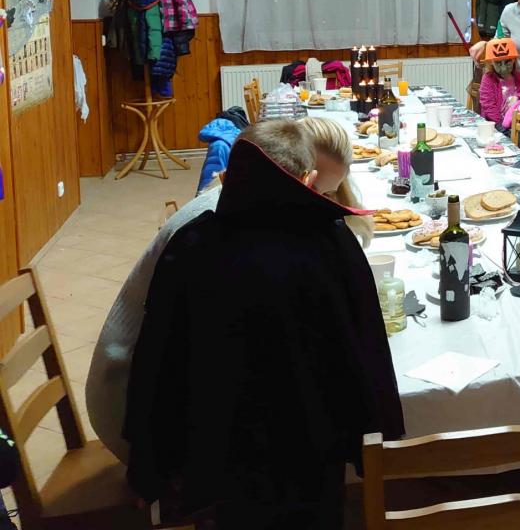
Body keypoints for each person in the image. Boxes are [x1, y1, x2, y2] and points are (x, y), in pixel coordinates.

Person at [123, 120, 402, 529]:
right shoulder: (332, 241)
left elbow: (158, 360)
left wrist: (149, 466)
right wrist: (377, 438)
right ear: (308, 180)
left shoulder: (194, 245)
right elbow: (367, 345)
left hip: (220, 452)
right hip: (314, 446)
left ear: (226, 178)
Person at [89, 117, 373, 465]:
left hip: (164, 403)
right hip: (126, 403)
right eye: (314, 194)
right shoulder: (211, 233)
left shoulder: (242, 207)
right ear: (302, 177)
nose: (316, 205)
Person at [477, 26, 520, 127]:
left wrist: (518, 97)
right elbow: (488, 106)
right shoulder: (488, 79)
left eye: (507, 62)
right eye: (498, 63)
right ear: (491, 62)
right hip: (496, 124)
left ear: (514, 60)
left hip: (517, 124)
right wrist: (503, 126)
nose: (503, 68)